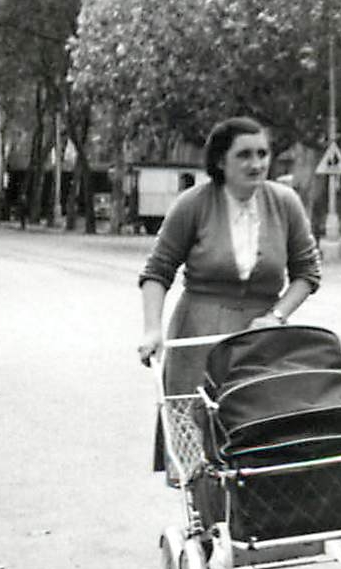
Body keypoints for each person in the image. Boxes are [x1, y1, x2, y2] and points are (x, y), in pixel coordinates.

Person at [138, 116, 322, 453]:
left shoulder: (285, 203)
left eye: (263, 154)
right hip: (199, 336)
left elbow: (307, 273)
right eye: (245, 155)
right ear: (221, 161)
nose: (257, 164)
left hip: (261, 339)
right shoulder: (192, 205)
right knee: (200, 441)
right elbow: (157, 272)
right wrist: (152, 330)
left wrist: (276, 317)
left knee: (260, 441)